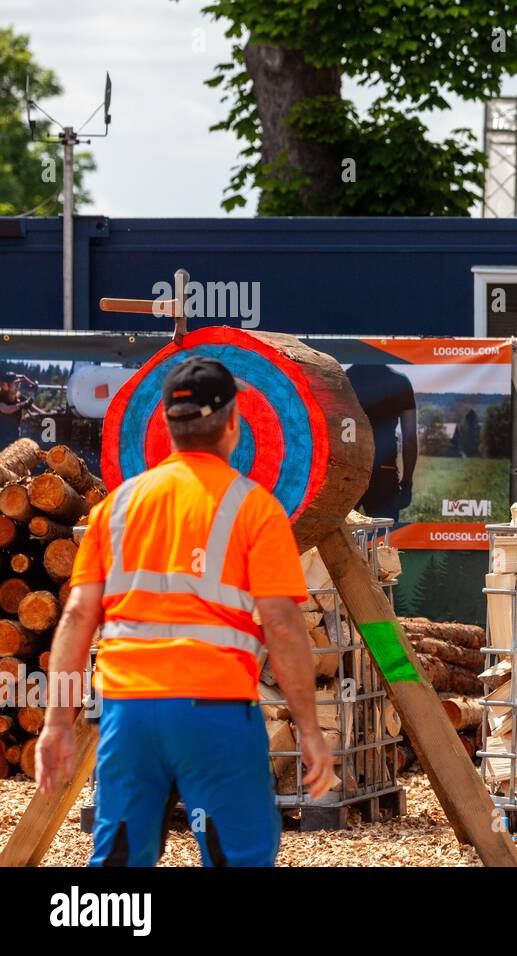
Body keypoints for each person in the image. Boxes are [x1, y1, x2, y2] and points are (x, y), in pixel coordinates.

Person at [36, 356, 331, 867]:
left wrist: (57, 723)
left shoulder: (117, 508)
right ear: (234, 425)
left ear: (166, 426)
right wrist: (307, 728)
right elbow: (282, 626)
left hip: (127, 715)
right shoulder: (255, 510)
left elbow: (78, 620)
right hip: (214, 712)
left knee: (119, 866)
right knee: (239, 857)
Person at [345, 364, 417, 520]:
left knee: (338, 540)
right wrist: (407, 482)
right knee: (383, 540)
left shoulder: (343, 379)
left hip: (347, 472)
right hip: (384, 472)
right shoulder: (400, 381)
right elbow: (410, 438)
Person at [0, 373, 34, 446]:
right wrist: (22, 404)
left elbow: (31, 406)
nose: (17, 386)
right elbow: (6, 409)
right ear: (6, 385)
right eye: (15, 384)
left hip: (14, 438)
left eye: (18, 384)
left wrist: (46, 414)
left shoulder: (18, 396)